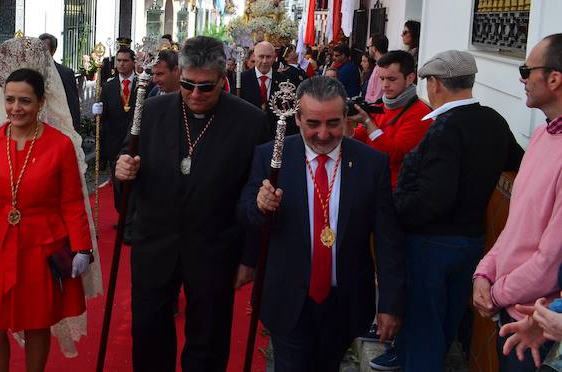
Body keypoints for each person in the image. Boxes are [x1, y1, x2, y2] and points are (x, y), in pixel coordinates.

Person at [115, 36, 271, 371]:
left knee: (209, 342)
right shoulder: (152, 111)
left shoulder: (250, 122)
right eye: (187, 84)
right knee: (149, 336)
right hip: (155, 244)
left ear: (222, 80)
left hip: (216, 248)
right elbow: (127, 162)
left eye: (206, 87)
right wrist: (123, 170)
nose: (195, 94)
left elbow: (256, 191)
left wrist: (249, 257)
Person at [0, 49, 101, 370]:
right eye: (10, 100)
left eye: (25, 101)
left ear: (41, 102)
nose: (16, 108)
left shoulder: (59, 145)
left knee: (37, 322)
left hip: (41, 247)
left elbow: (71, 202)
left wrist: (82, 247)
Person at [238, 76, 404, 371]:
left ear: (346, 117)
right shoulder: (271, 156)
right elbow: (247, 213)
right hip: (288, 299)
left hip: (345, 301)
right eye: (313, 123)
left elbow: (387, 239)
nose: (324, 134)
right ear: (298, 118)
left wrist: (389, 303)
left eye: (333, 123)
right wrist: (260, 205)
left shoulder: (370, 164)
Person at [377, 50, 524, 372]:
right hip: (472, 242)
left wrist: (393, 214)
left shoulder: (446, 128)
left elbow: (433, 198)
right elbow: (517, 162)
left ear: (436, 84)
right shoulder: (494, 120)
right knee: (443, 325)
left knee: (422, 329)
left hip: (432, 243)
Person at [474, 33, 562, 371]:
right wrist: (484, 273)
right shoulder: (542, 134)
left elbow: (550, 262)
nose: (521, 78)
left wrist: (495, 294)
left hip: (542, 329)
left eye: (527, 70)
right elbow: (516, 228)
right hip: (511, 312)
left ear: (553, 78)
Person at [348, 50, 432, 189]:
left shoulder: (420, 113)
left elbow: (393, 155)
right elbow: (360, 138)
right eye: (382, 79)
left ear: (410, 78)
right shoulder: (380, 105)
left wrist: (368, 123)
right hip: (370, 183)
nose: (385, 85)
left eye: (392, 79)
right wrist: (345, 122)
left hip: (395, 192)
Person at [101, 47, 138, 232]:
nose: (121, 64)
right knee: (118, 185)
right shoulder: (108, 87)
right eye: (119, 60)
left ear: (133, 62)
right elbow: (104, 118)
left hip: (135, 142)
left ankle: (132, 219)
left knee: (135, 183)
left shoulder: (142, 86)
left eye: (125, 60)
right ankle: (123, 215)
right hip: (115, 143)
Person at [239, 41, 298, 136]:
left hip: (275, 136)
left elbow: (290, 112)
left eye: (268, 57)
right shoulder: (241, 80)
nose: (265, 61)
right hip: (248, 135)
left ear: (274, 57)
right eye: (261, 56)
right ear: (254, 56)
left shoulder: (285, 82)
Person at [38, 33, 81, 129]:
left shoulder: (65, 73)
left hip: (58, 126)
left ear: (53, 51)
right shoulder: (31, 71)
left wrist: (73, 130)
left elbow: (72, 105)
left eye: (45, 49)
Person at [364, 34, 389, 103]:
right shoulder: (379, 65)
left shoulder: (382, 67)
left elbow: (376, 96)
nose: (368, 50)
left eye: (368, 47)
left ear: (374, 48)